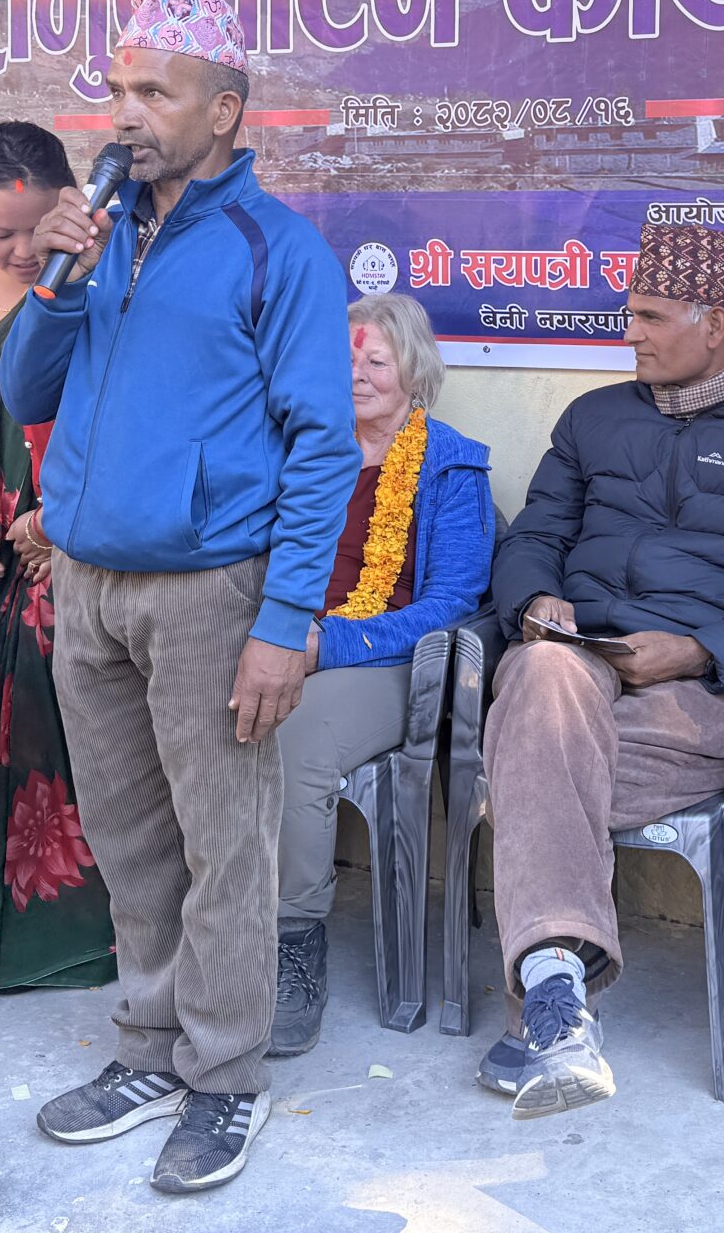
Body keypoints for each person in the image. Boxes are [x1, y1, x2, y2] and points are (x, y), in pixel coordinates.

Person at [6, 0, 356, 1196]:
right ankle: (149, 1050)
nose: (126, 113)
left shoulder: (278, 250)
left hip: (213, 592)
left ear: (224, 109)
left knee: (225, 847)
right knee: (129, 839)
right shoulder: (99, 235)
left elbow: (322, 447)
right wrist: (57, 279)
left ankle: (225, 1077)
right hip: (89, 584)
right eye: (118, 89)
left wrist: (285, 620)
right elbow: (25, 394)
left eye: (155, 91)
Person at [478, 220, 724, 1120]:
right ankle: (557, 998)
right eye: (631, 314)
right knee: (541, 676)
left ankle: (546, 991)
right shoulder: (594, 418)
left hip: (700, 693)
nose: (632, 334)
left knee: (528, 762)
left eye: (651, 317)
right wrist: (536, 599)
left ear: (716, 323)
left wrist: (700, 650)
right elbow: (533, 535)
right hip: (578, 662)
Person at [271, 293, 493, 1060]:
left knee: (294, 738)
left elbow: (451, 605)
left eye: (377, 360)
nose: (357, 374)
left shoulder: (451, 463)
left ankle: (293, 945)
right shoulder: (303, 452)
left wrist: (327, 645)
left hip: (387, 663)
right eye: (346, 360)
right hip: (286, 642)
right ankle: (205, 927)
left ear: (415, 372)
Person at [0, 125, 116, 995]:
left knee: (51, 721)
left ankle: (60, 943)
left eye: (39, 227)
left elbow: (125, 411)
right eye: (1, 232)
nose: (23, 248)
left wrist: (58, 521)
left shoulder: (104, 271)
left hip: (65, 550)